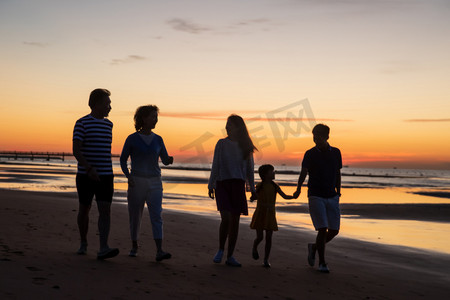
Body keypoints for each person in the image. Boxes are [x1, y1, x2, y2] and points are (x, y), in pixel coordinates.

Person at [120, 105, 173, 262]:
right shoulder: (132, 138)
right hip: (137, 181)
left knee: (157, 215)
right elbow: (123, 159)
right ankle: (134, 246)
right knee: (135, 216)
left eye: (156, 117)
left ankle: (159, 250)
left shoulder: (158, 139)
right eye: (153, 116)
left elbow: (164, 159)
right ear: (143, 118)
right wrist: (127, 175)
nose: (155, 119)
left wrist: (169, 160)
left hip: (155, 182)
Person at [73, 88, 119, 259]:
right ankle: (83, 242)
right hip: (86, 175)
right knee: (85, 208)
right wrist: (89, 169)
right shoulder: (81, 123)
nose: (110, 107)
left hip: (106, 175)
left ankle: (103, 247)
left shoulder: (109, 125)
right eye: (108, 104)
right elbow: (76, 150)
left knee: (105, 210)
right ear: (97, 104)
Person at [208, 114, 257, 267]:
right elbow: (215, 164)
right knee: (226, 218)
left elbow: (250, 169)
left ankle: (230, 256)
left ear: (238, 127)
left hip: (238, 185)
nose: (227, 127)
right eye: (226, 124)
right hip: (222, 184)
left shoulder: (246, 146)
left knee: (235, 221)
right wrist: (211, 184)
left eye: (230, 124)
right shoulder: (221, 144)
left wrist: (253, 189)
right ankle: (221, 249)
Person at [294, 124, 342, 273]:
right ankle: (322, 263)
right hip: (315, 195)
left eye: (319, 136)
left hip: (332, 195)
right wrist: (298, 188)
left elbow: (338, 173)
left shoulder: (336, 152)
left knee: (334, 230)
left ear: (327, 137)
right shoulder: (310, 153)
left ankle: (314, 247)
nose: (316, 139)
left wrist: (338, 191)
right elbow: (304, 172)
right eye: (314, 135)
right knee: (322, 229)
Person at [250, 164, 295, 268]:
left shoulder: (275, 186)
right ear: (265, 175)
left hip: (270, 213)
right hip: (261, 212)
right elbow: (255, 195)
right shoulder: (260, 185)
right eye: (272, 171)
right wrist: (253, 197)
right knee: (260, 237)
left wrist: (293, 196)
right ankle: (254, 247)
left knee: (269, 237)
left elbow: (284, 196)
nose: (274, 173)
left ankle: (266, 259)